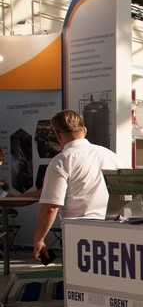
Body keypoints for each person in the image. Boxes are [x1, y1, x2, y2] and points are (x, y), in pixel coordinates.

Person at [32, 109, 121, 263]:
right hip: (112, 229)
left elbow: (51, 206)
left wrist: (39, 239)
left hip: (78, 233)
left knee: (77, 275)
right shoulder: (111, 156)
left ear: (58, 135)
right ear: (84, 130)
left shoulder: (61, 161)